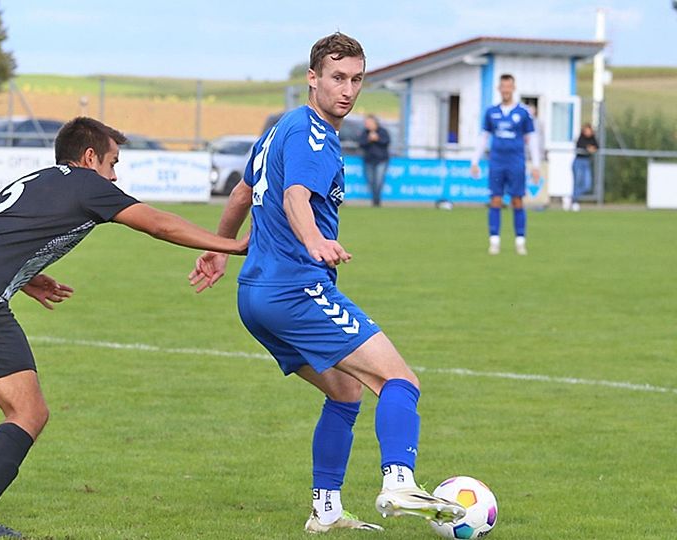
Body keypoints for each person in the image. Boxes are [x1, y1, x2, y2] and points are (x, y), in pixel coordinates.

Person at [0, 117, 247, 538]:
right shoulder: (87, 183)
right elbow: (158, 223)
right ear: (89, 157)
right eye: (113, 162)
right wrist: (232, 245)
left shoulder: (40, 179)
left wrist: (25, 276)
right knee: (29, 411)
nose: (115, 175)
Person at [188, 32, 465, 535]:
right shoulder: (312, 132)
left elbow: (242, 192)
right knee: (399, 381)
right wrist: (314, 238)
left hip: (256, 297)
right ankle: (399, 481)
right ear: (312, 79)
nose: (348, 89)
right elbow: (296, 195)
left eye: (357, 79)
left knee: (344, 393)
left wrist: (220, 246)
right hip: (297, 290)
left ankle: (326, 509)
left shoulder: (281, 128)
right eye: (338, 77)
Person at [470, 74, 541, 255]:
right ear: (499, 89)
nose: (506, 90)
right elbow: (484, 137)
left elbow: (532, 139)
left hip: (516, 161)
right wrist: (475, 161)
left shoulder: (523, 113)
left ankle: (520, 241)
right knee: (495, 199)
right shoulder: (491, 112)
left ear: (513, 88)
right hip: (497, 161)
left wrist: (536, 165)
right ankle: (494, 240)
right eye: (503, 87)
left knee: (517, 200)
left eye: (509, 87)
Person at [357, 115, 390, 207]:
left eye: (369, 122)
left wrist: (377, 139)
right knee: (371, 181)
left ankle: (376, 201)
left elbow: (386, 142)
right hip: (369, 160)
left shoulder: (383, 132)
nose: (367, 125)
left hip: (381, 160)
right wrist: (369, 139)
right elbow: (361, 143)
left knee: (378, 181)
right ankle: (375, 199)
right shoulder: (365, 133)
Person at [571, 123, 598, 212]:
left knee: (587, 185)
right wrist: (588, 148)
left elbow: (597, 146)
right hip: (578, 162)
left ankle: (572, 197)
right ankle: (574, 201)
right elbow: (581, 145)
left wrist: (591, 148)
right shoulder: (581, 138)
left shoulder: (592, 138)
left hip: (586, 162)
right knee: (577, 182)